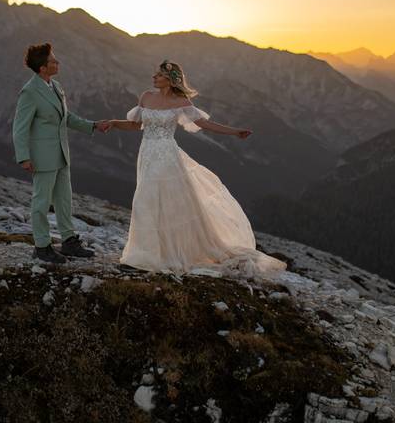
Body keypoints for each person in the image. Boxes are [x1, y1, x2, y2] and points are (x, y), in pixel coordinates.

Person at [105, 60, 286, 275]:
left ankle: (146, 258)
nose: (154, 77)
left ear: (170, 79)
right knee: (148, 201)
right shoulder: (146, 96)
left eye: (159, 75)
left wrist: (234, 131)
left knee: (148, 199)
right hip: (147, 154)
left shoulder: (180, 100)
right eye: (155, 74)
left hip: (167, 156)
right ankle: (145, 254)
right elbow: (136, 125)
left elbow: (205, 124)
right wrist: (114, 122)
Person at [12, 43, 110, 264]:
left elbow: (66, 117)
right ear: (42, 67)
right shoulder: (30, 91)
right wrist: (24, 156)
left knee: (64, 200)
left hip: (61, 154)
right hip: (42, 156)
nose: (58, 63)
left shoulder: (55, 86)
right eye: (53, 61)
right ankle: (42, 246)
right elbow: (19, 127)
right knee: (41, 202)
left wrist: (93, 125)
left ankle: (68, 242)